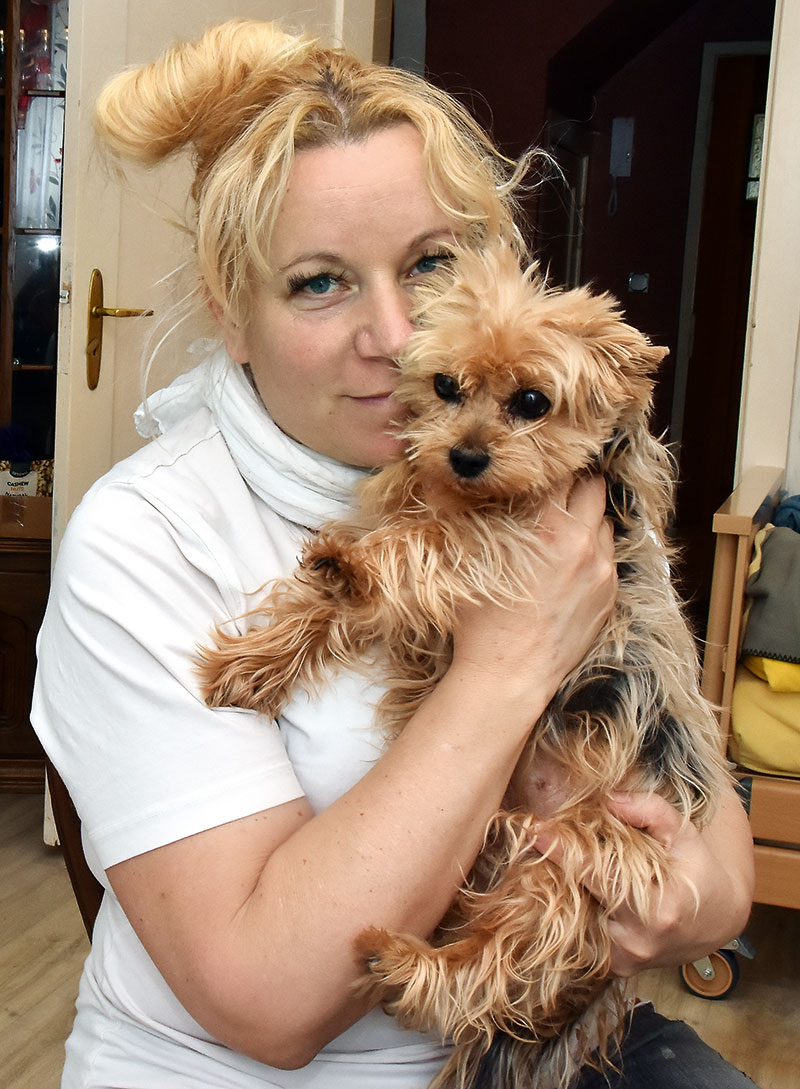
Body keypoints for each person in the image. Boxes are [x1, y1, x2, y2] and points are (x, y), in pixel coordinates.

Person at [32, 19, 757, 1089]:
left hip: (535, 1037)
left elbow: (703, 817)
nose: (395, 337)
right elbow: (268, 1006)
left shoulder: (567, 475)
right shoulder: (147, 537)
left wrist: (680, 906)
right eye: (319, 283)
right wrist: (507, 660)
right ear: (233, 316)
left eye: (429, 261)